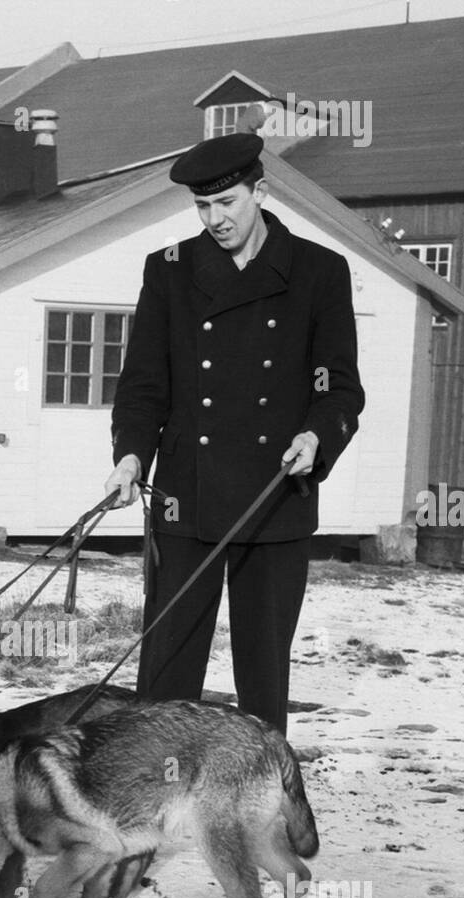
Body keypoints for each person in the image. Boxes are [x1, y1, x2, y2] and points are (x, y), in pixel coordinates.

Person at [105, 131, 365, 736]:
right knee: (166, 666)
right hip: (185, 497)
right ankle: (154, 789)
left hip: (276, 493)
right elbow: (144, 384)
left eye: (227, 204)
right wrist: (130, 455)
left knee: (263, 673)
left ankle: (257, 799)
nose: (214, 219)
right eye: (202, 207)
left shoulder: (320, 272)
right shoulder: (168, 272)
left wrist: (318, 436)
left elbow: (339, 388)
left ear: (260, 192)